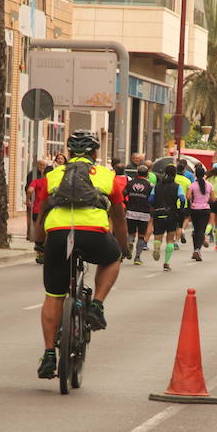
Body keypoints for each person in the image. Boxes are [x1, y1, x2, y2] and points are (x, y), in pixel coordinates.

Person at [33, 131, 128, 379]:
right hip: (93, 234)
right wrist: (124, 246)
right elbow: (118, 217)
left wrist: (40, 244)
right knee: (112, 257)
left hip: (58, 235)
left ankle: (49, 355)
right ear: (95, 154)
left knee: (53, 296)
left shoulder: (53, 175)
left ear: (70, 153)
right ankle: (96, 305)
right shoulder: (109, 176)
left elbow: (42, 213)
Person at [150, 164, 186, 270]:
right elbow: (182, 199)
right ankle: (166, 262)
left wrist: (155, 206)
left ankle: (156, 246)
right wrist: (181, 208)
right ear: (174, 174)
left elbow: (150, 199)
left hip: (158, 213)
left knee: (158, 236)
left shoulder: (157, 186)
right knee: (170, 239)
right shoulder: (177, 186)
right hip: (171, 214)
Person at [124, 165, 153, 265]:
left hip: (131, 211)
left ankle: (130, 243)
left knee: (131, 233)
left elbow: (123, 193)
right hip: (144, 213)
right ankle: (137, 258)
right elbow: (152, 199)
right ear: (147, 174)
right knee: (141, 235)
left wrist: (127, 204)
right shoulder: (150, 185)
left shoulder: (130, 183)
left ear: (137, 173)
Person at [186, 165, 214, 261]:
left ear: (195, 174)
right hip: (205, 209)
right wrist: (206, 199)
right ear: (204, 174)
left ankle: (195, 250)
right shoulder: (209, 185)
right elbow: (213, 198)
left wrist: (193, 202)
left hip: (195, 209)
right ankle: (198, 250)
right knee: (201, 230)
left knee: (196, 229)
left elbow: (188, 197)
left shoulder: (192, 185)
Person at [26, 164, 53, 264]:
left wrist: (28, 199)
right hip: (50, 211)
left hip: (37, 210)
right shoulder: (53, 181)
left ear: (43, 173)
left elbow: (30, 190)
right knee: (48, 233)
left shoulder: (37, 181)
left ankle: (39, 253)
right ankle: (46, 252)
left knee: (39, 229)